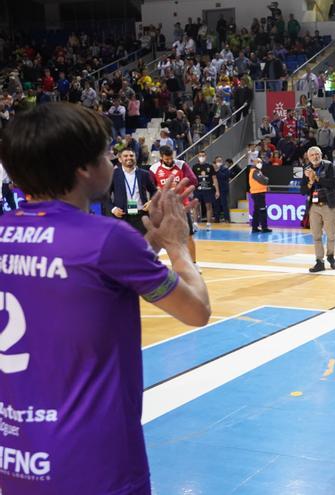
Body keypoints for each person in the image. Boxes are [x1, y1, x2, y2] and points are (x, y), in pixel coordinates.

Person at [0, 102, 210, 494]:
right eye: (105, 154)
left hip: (17, 455)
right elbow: (197, 311)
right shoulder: (107, 238)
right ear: (83, 168)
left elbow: (93, 276)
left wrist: (149, 241)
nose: (112, 161)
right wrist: (177, 246)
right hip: (95, 461)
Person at [150, 146, 199, 265]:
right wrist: (157, 189)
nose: (169, 160)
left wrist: (181, 184)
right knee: (164, 237)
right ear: (161, 157)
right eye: (166, 159)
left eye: (171, 158)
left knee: (188, 236)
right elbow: (150, 187)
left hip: (181, 205)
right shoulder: (154, 168)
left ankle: (194, 264)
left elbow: (194, 180)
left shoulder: (181, 164)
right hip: (164, 208)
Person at [300, 146, 335, 272]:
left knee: (331, 234)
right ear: (308, 157)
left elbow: (332, 184)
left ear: (321, 155)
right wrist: (310, 181)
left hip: (328, 205)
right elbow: (302, 191)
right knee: (316, 236)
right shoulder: (306, 169)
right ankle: (319, 261)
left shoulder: (328, 166)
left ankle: (331, 256)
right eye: (312, 155)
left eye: (317, 154)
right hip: (314, 207)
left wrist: (316, 178)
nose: (315, 157)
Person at [106, 149, 157, 236]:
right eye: (125, 156)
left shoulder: (144, 174)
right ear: (120, 159)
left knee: (144, 244)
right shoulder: (113, 174)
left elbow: (154, 191)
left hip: (141, 215)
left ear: (135, 158)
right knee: (124, 245)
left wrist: (151, 201)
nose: (129, 158)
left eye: (131, 155)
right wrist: (113, 209)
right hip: (122, 216)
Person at [191, 150, 220, 231]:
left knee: (208, 206)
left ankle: (208, 224)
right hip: (198, 189)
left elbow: (214, 178)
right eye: (200, 155)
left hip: (208, 189)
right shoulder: (194, 167)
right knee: (195, 206)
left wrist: (217, 191)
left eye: (203, 155)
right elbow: (192, 179)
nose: (202, 157)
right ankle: (195, 224)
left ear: (206, 156)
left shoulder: (210, 166)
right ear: (197, 156)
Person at [248, 157, 271, 233]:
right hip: (257, 193)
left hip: (258, 193)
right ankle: (264, 227)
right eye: (258, 162)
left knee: (257, 210)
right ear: (254, 163)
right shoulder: (255, 171)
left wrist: (264, 178)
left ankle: (255, 227)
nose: (260, 163)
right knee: (262, 210)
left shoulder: (257, 171)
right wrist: (266, 178)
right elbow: (264, 180)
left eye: (260, 162)